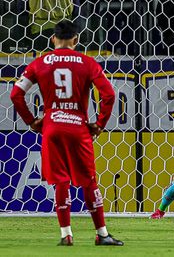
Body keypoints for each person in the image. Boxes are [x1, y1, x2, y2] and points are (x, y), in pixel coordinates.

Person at [9, 20, 123, 246]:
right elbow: (109, 95)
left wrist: (32, 121)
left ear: (53, 39)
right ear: (76, 40)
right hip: (78, 126)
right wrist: (99, 124)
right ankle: (102, 234)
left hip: (52, 126)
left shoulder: (40, 63)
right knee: (89, 181)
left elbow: (15, 94)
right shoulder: (87, 63)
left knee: (60, 181)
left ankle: (66, 235)